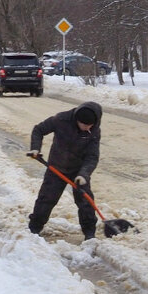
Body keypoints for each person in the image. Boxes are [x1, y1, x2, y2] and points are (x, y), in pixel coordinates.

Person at [27, 101, 103, 241]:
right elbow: (38, 129)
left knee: (86, 201)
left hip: (78, 171)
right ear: (77, 120)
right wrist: (35, 148)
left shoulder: (94, 131)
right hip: (57, 167)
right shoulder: (61, 120)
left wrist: (83, 174)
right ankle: (34, 228)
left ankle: (89, 233)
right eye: (84, 125)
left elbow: (92, 156)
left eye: (90, 125)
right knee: (46, 199)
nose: (87, 128)